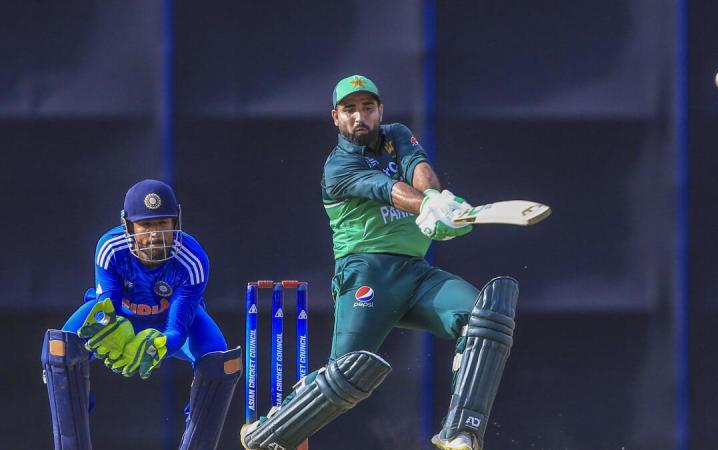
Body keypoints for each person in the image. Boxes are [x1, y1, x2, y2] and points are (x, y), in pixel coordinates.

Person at [241, 75, 519, 450]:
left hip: (417, 275)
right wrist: (427, 205)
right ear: (335, 117)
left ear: (380, 111)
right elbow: (385, 188)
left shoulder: (396, 134)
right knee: (346, 375)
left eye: (367, 108)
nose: (360, 117)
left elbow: (416, 165)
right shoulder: (338, 167)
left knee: (486, 317)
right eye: (350, 109)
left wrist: (440, 200)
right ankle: (264, 435)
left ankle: (460, 432)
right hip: (366, 275)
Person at [41, 179, 242, 450]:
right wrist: (114, 334)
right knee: (59, 351)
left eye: (163, 224)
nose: (155, 235)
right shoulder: (111, 248)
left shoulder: (192, 259)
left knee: (220, 361)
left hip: (168, 324)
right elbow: (107, 310)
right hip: (118, 319)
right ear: (128, 226)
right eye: (146, 226)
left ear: (176, 222)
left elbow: (178, 328)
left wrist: (158, 346)